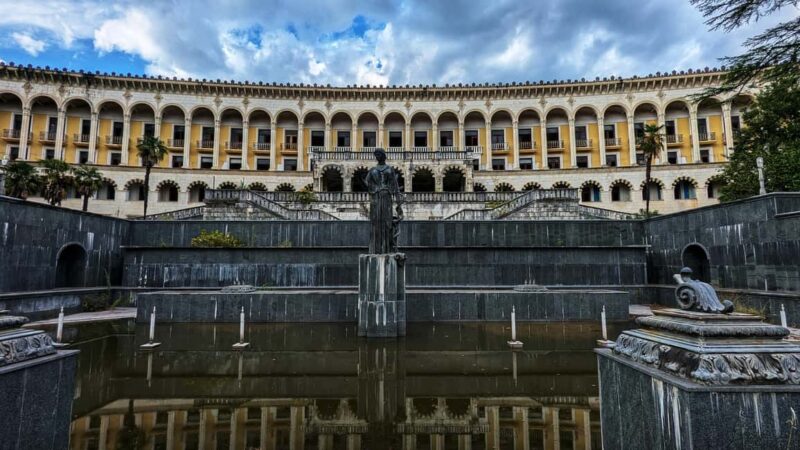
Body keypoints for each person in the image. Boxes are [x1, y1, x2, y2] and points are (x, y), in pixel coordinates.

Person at [365, 148, 404, 253]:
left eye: (379, 154)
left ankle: (387, 248)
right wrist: (374, 189)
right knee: (376, 221)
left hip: (386, 197)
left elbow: (395, 186)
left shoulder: (389, 169)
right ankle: (376, 248)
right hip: (376, 198)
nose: (377, 157)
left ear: (383, 155)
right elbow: (366, 182)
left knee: (387, 221)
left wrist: (398, 203)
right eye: (376, 155)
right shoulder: (373, 170)